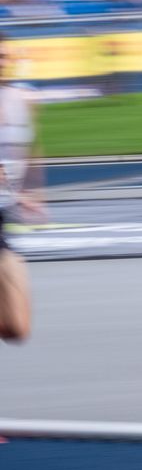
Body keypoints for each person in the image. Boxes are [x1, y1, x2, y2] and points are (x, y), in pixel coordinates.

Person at [0, 37, 44, 344]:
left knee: (17, 329)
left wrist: (31, 192)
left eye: (7, 56)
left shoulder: (22, 98)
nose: (4, 61)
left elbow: (31, 148)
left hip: (5, 210)